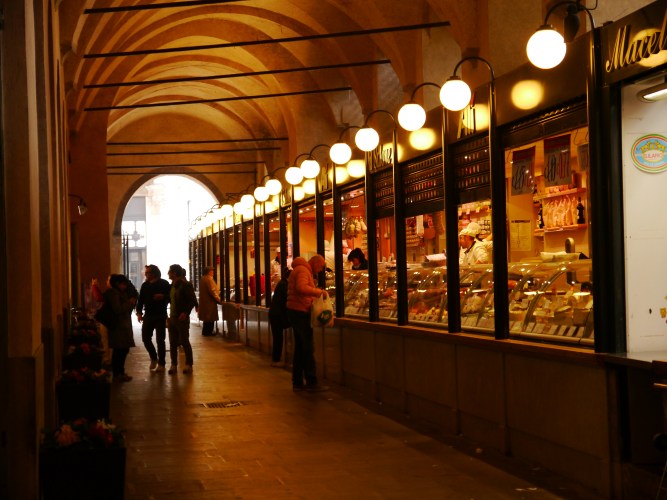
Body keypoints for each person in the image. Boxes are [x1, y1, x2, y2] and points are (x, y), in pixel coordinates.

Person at [286, 255, 329, 392]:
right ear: (315, 263)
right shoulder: (303, 270)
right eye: (321, 267)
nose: (320, 270)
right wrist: (319, 292)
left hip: (295, 310)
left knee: (300, 348)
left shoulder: (301, 269)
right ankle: (311, 381)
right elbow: (301, 288)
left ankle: (298, 381)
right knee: (307, 347)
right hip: (300, 311)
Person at [136, 264, 171, 372]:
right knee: (145, 338)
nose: (146, 274)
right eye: (146, 273)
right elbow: (140, 300)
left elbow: (171, 297)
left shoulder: (164, 283)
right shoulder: (145, 285)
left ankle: (161, 363)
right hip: (148, 315)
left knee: (160, 340)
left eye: (148, 273)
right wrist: (139, 313)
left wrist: (163, 296)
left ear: (154, 273)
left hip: (160, 315)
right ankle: (154, 357)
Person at [104, 274, 137, 382]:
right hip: (118, 326)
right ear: (117, 284)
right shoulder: (113, 293)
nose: (125, 286)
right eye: (123, 284)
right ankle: (117, 374)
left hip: (123, 325)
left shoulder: (120, 293)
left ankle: (121, 373)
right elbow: (117, 309)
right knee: (119, 350)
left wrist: (130, 304)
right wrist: (129, 303)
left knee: (123, 350)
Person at [167, 264, 198, 374]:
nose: (168, 273)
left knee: (184, 341)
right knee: (172, 342)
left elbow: (192, 300)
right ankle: (173, 365)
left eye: (169, 271)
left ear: (174, 273)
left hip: (181, 318)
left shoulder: (185, 285)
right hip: (172, 317)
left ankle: (189, 364)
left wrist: (185, 312)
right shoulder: (171, 286)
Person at [269, 268, 291, 367]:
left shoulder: (282, 283)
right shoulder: (284, 285)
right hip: (277, 315)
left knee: (277, 337)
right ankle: (276, 360)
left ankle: (276, 359)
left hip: (275, 314)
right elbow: (287, 299)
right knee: (278, 337)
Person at [198, 266, 222, 336]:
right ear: (208, 272)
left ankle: (205, 331)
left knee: (207, 319)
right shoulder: (208, 279)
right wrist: (219, 300)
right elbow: (212, 291)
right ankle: (208, 332)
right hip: (210, 302)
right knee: (210, 318)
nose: (213, 272)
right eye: (212, 271)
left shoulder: (202, 279)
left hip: (205, 302)